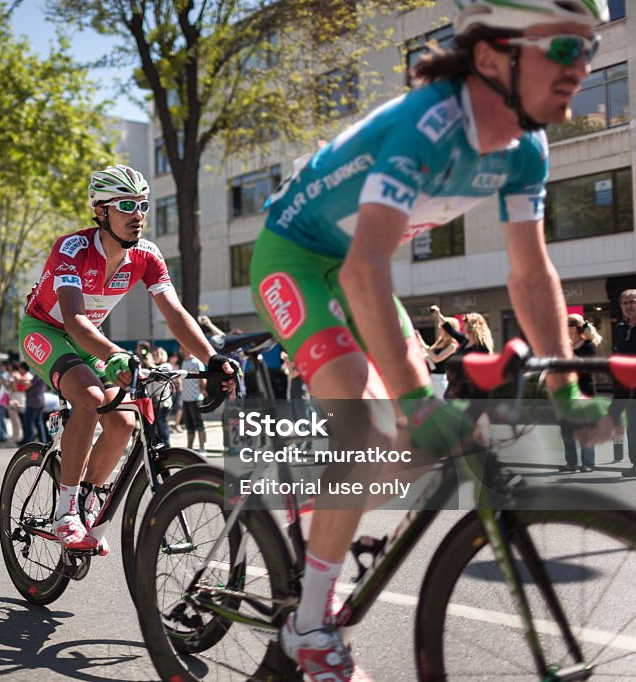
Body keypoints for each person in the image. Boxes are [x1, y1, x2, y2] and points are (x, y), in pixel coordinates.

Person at [248, 2, 616, 679]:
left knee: (425, 443)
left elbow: (531, 273)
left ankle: (329, 497)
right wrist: (417, 398)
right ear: (491, 56)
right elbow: (363, 269)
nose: (583, 68)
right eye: (565, 49)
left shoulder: (524, 148)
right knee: (367, 423)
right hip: (297, 257)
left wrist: (567, 385)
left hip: (357, 266)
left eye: (589, 49)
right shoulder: (430, 127)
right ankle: (309, 629)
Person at [18, 163, 237, 553]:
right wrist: (117, 353)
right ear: (101, 210)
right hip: (46, 330)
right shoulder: (73, 249)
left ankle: (87, 500)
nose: (137, 215)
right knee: (88, 398)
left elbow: (175, 313)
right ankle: (66, 512)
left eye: (143, 205)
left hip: (89, 340)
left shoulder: (148, 256)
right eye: (126, 205)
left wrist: (213, 357)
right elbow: (74, 318)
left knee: (122, 422)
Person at [559, 313, 601, 473]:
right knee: (566, 429)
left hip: (585, 390)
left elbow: (587, 368)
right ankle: (571, 463)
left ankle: (588, 463)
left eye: (568, 327)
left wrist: (570, 352)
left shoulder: (588, 346)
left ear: (575, 328)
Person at [615, 289, 636, 476]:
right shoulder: (620, 328)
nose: (630, 305)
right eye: (626, 302)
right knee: (632, 427)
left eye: (633, 301)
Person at [415, 315, 462, 398]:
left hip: (441, 379)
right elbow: (429, 353)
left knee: (441, 403)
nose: (440, 329)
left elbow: (437, 359)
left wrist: (424, 345)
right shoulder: (440, 342)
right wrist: (421, 342)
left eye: (441, 327)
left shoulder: (452, 346)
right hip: (431, 377)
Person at [179, 348, 207, 453]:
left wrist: (201, 391)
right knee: (189, 425)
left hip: (196, 398)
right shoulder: (184, 362)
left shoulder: (197, 362)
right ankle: (189, 448)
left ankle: (202, 447)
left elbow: (203, 380)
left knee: (199, 424)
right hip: (186, 398)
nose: (181, 350)